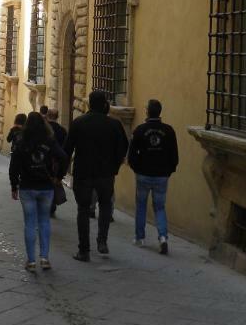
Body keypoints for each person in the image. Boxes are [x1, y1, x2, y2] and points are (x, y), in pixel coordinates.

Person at [64, 90, 128, 262]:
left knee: (83, 210)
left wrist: (60, 173)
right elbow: (123, 147)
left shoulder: (79, 123)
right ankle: (102, 241)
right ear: (105, 104)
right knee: (106, 206)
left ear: (89, 104)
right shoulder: (114, 125)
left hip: (83, 173)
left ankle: (84, 250)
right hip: (105, 174)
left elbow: (67, 149)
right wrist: (114, 167)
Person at [9, 112, 68, 272]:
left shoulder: (21, 141)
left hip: (27, 187)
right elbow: (63, 157)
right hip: (46, 187)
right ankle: (44, 258)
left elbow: (13, 165)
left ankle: (31, 261)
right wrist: (58, 177)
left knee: (29, 224)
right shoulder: (49, 140)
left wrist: (14, 185)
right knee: (44, 222)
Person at [128, 99, 179, 255]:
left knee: (141, 205)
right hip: (161, 175)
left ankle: (140, 237)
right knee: (159, 207)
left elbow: (132, 154)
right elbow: (174, 155)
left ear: (147, 111)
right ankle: (163, 237)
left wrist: (136, 168)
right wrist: (169, 171)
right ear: (160, 112)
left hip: (143, 174)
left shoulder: (140, 130)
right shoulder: (169, 131)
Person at [46, 108, 67, 217]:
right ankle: (52, 206)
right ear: (57, 116)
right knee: (53, 183)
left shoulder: (43, 128)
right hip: (57, 161)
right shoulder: (62, 130)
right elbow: (65, 149)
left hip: (44, 161)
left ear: (47, 115)